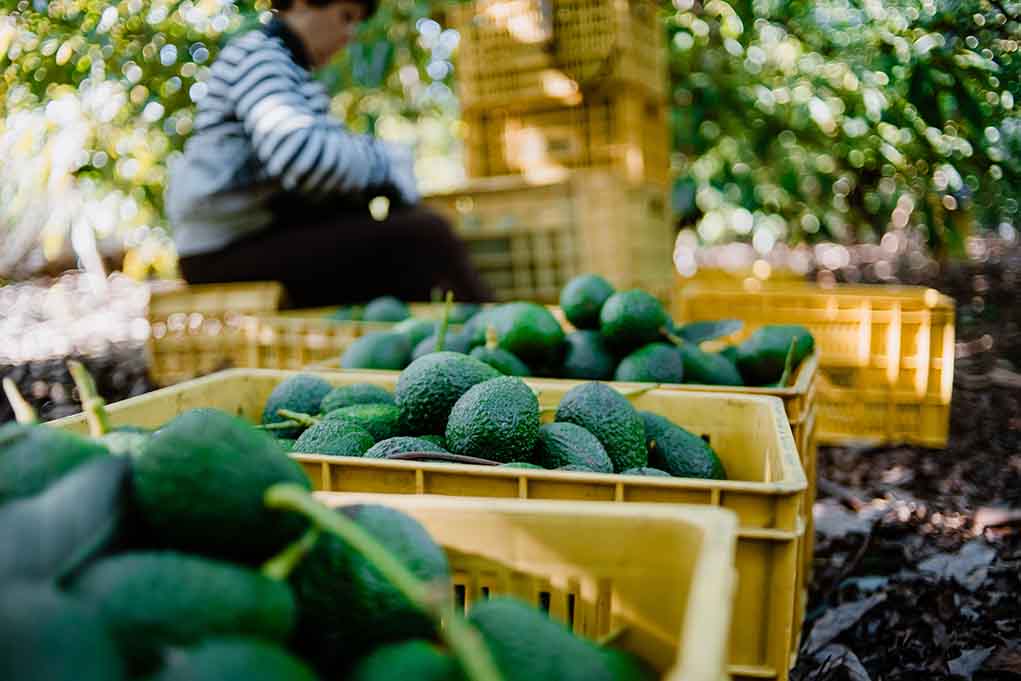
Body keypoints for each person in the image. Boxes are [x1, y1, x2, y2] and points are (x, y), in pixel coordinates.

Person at [165, 0, 492, 307]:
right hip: (223, 250)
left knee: (391, 230)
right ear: (304, 3)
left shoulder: (289, 67)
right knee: (425, 236)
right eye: (345, 17)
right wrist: (387, 162)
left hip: (255, 236)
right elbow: (301, 157)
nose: (349, 36)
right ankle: (492, 338)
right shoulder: (260, 55)